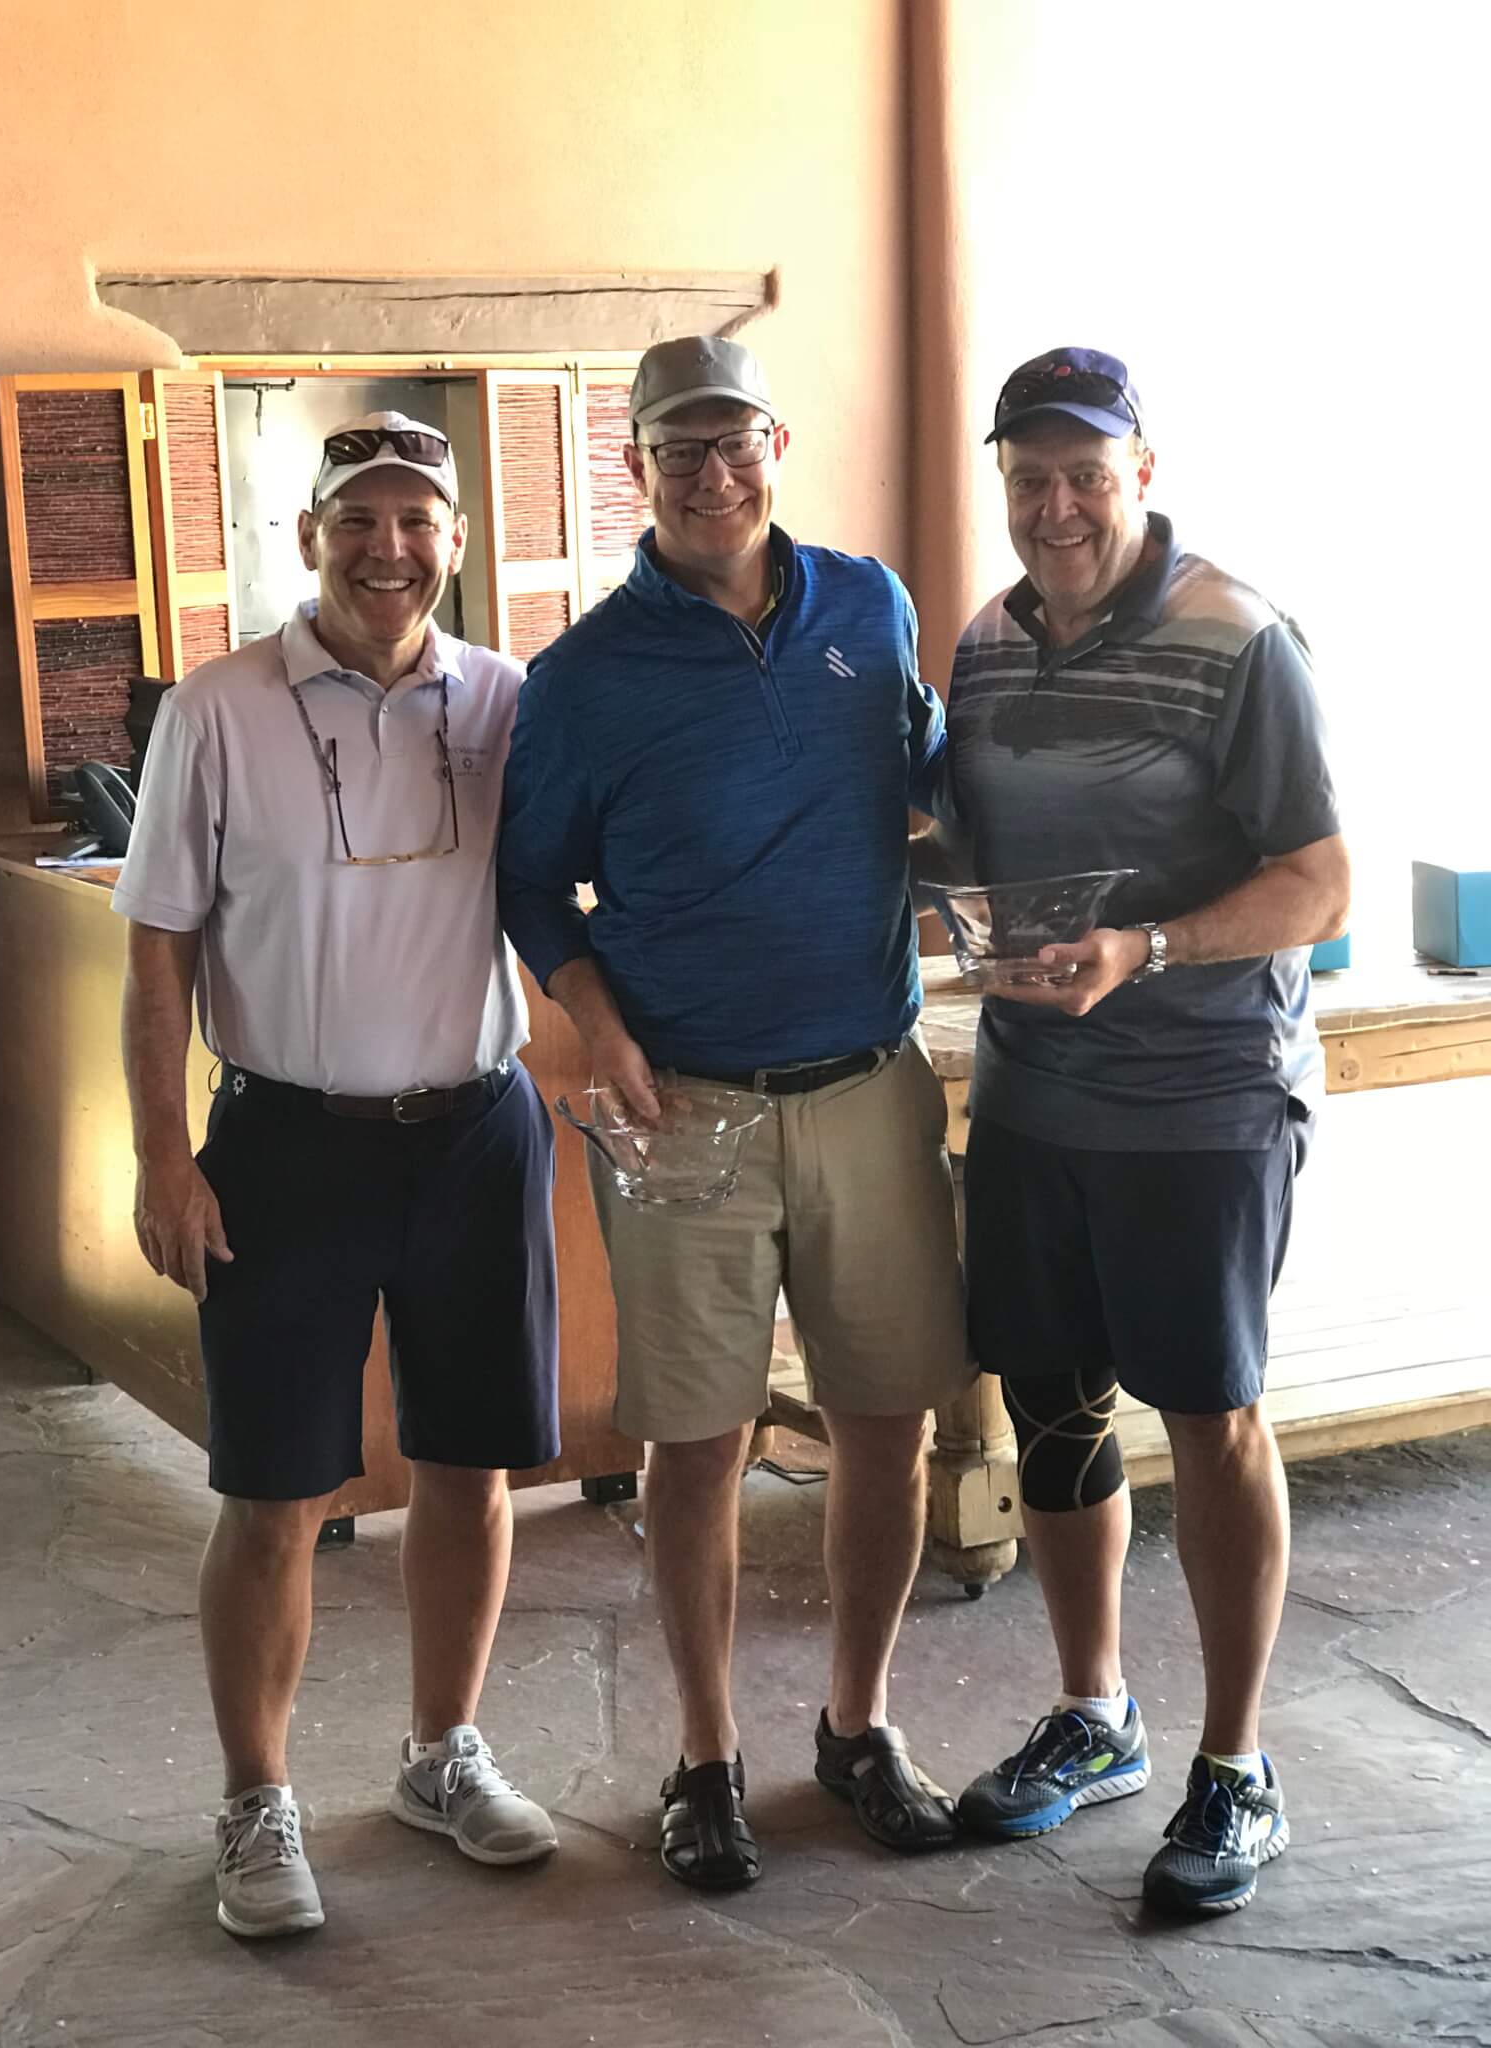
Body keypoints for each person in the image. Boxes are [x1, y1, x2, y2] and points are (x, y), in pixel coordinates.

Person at [496, 335, 972, 1891]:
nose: (713, 477)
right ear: (632, 468)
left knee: (887, 1424)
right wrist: (600, 1031)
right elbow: (530, 885)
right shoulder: (579, 678)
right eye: (677, 451)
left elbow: (930, 780)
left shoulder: (870, 605)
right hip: (683, 1107)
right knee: (694, 1447)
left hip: (866, 1086)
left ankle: (859, 1722)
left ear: (780, 443)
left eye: (735, 443)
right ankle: (707, 1755)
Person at [114, 412, 561, 1940]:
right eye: (357, 519)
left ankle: (443, 1755)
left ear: (453, 538)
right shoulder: (222, 709)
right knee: (271, 1488)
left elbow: (586, 885)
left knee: (472, 1463)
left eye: (417, 520)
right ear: (308, 535)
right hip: (289, 1145)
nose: (390, 548)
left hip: (476, 1131)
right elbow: (158, 944)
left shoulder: (504, 701)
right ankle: (255, 1797)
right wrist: (163, 1158)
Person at [917, 347, 1350, 1915]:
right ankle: (1097, 1714)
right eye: (1027, 478)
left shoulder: (1240, 637)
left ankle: (1237, 1768)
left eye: (1083, 475)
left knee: (1213, 1413)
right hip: (1036, 1098)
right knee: (1054, 1408)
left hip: (1204, 1104)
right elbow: (978, 844)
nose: (1054, 506)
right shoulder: (981, 643)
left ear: (1141, 472)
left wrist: (1149, 951)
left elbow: (1320, 880)